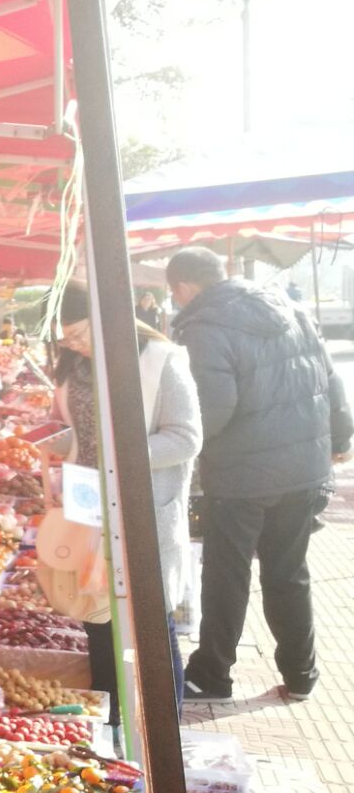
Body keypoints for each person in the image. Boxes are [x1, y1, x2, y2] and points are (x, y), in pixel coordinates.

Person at [166, 247, 352, 700]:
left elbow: (212, 409)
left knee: (227, 576)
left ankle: (212, 674)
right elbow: (330, 379)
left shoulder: (205, 326)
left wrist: (180, 445)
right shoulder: (290, 307)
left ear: (183, 287)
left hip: (242, 476)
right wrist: (341, 437)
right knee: (288, 573)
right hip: (304, 470)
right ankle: (302, 674)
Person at [50, 282, 202, 717]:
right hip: (89, 511)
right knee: (98, 620)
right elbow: (79, 433)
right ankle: (110, 721)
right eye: (67, 339)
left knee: (149, 627)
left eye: (80, 333)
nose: (75, 344)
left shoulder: (160, 360)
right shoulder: (75, 367)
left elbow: (186, 438)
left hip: (142, 512)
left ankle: (161, 728)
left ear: (107, 320)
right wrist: (51, 441)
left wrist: (124, 454)